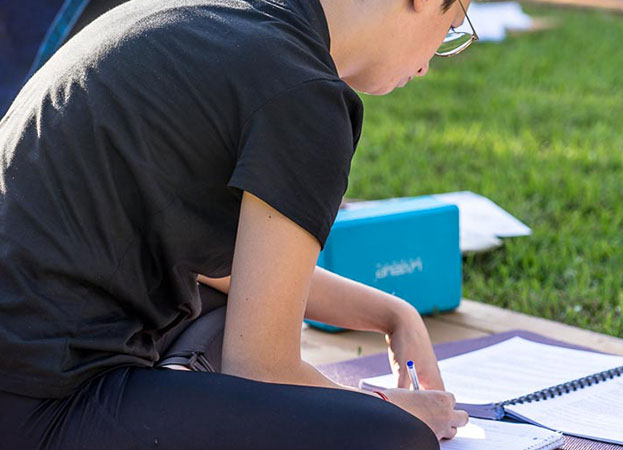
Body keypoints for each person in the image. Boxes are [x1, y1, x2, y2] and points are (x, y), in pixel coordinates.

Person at [0, 0, 479, 447]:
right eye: (452, 27)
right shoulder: (304, 94)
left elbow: (237, 271)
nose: (426, 64)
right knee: (396, 436)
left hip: (29, 349)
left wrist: (395, 316)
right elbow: (262, 370)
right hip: (43, 402)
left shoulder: (217, 21)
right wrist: (396, 408)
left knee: (221, 314)